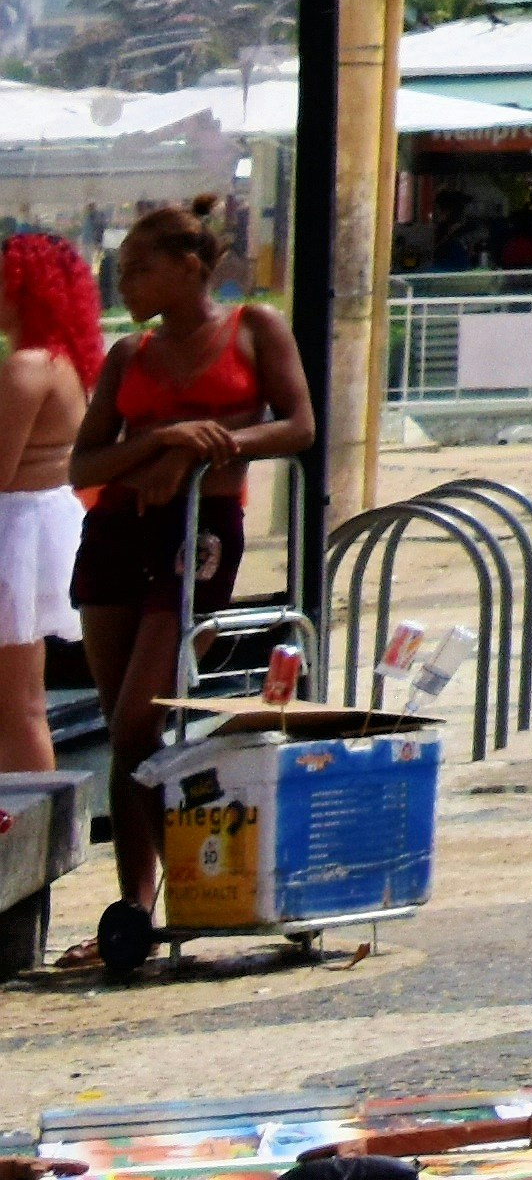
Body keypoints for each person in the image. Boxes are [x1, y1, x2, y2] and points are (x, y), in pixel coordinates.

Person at [68, 208, 317, 963]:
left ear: (188, 264)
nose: (126, 283)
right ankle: (134, 905)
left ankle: (182, 881)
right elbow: (84, 466)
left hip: (200, 529)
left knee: (138, 718)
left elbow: (298, 423)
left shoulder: (253, 327)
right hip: (116, 531)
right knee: (122, 726)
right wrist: (165, 438)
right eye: (120, 272)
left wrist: (212, 450)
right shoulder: (128, 352)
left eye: (139, 269)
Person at [0, 227, 98, 777]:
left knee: (16, 705)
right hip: (39, 525)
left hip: (14, 529)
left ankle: (29, 829)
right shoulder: (65, 363)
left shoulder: (26, 367)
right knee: (23, 701)